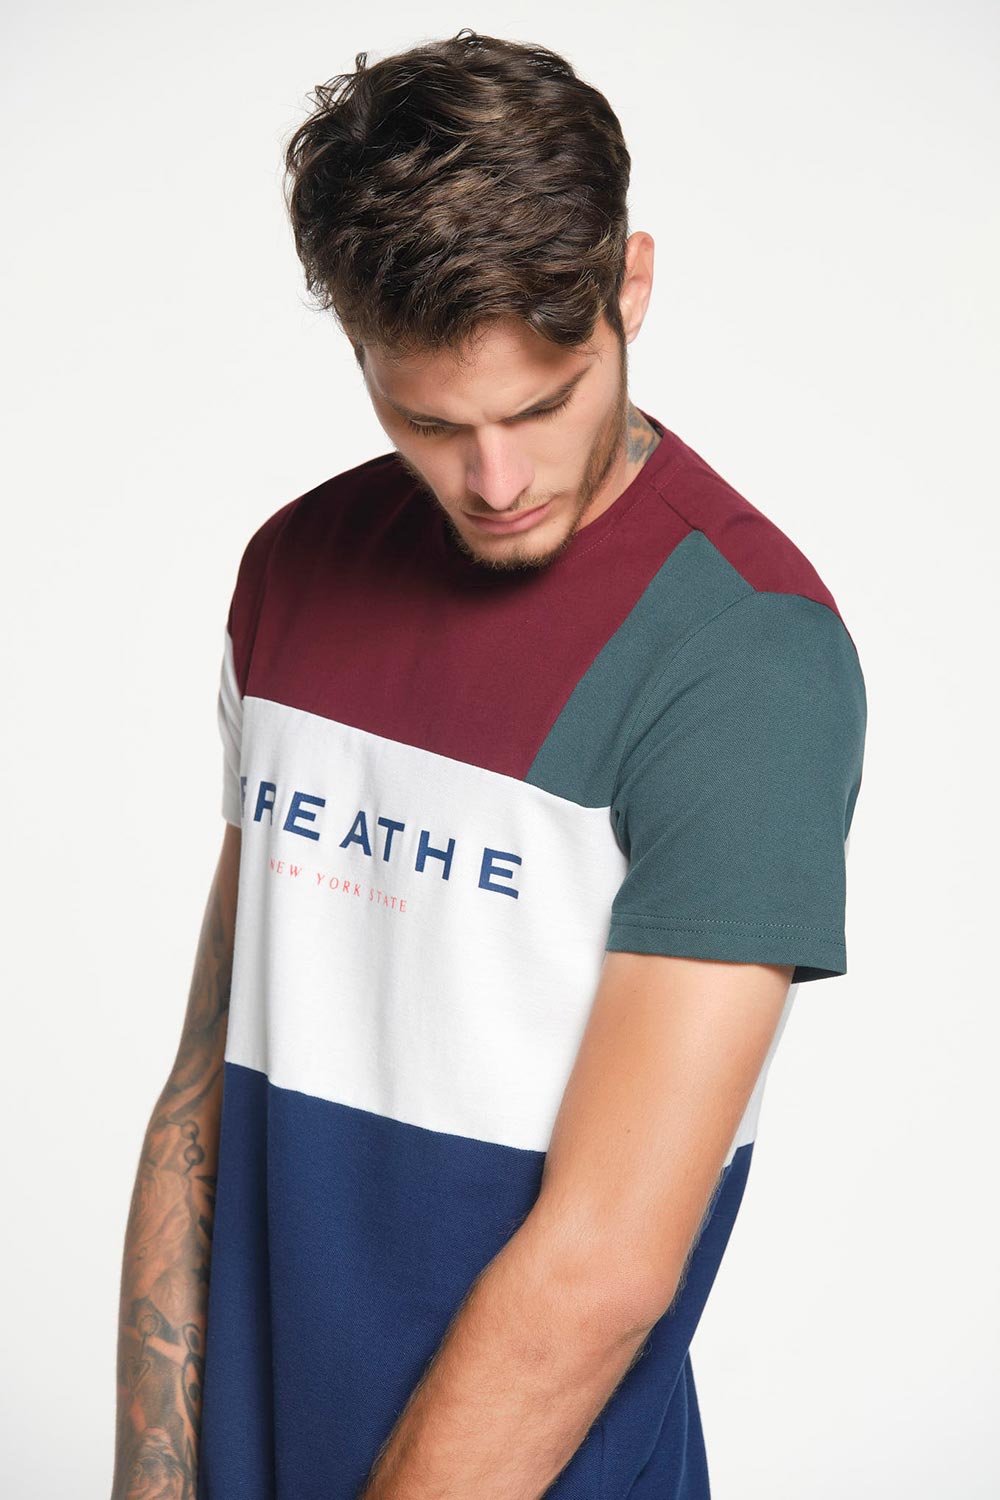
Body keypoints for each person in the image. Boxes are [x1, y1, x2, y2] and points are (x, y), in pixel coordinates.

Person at [110, 28, 867, 1500]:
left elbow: (604, 1265)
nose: (496, 480)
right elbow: (206, 1082)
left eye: (542, 404)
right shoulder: (294, 569)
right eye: (431, 422)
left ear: (630, 287)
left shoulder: (744, 660)